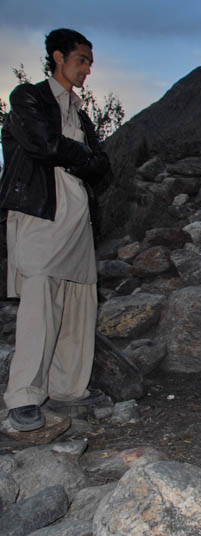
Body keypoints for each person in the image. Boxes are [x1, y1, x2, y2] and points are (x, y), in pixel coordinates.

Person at [1, 29, 110, 432]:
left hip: (78, 219)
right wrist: (83, 156)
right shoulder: (28, 97)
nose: (87, 69)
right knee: (40, 300)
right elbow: (44, 146)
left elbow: (104, 167)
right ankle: (24, 396)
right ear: (58, 57)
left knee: (79, 301)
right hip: (42, 212)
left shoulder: (79, 112)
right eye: (81, 60)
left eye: (90, 63)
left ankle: (67, 389)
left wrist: (82, 158)